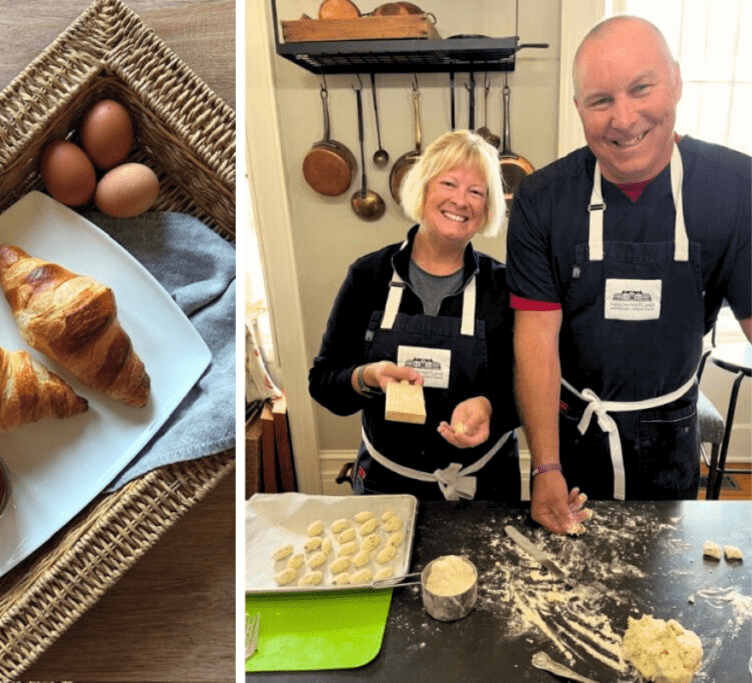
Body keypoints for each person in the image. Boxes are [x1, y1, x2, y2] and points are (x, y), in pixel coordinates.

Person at [507, 16, 752, 533]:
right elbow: (535, 339)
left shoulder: (735, 189)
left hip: (673, 432)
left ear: (676, 81)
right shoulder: (542, 200)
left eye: (642, 88)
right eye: (600, 100)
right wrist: (544, 465)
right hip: (572, 434)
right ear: (579, 109)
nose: (624, 118)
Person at [309, 130, 528, 501]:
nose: (461, 201)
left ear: (488, 207)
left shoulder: (503, 286)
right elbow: (324, 382)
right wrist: (367, 377)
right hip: (386, 485)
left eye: (477, 192)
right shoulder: (368, 277)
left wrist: (490, 406)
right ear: (423, 188)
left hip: (484, 483)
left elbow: (530, 387)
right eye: (449, 183)